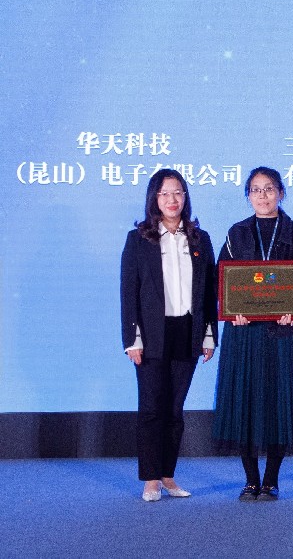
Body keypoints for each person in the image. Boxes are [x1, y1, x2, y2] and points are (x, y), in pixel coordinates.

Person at [212, 167, 293, 502]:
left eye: (269, 188)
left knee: (277, 407)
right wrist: (232, 310)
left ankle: (271, 480)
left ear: (281, 193)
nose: (263, 195)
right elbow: (222, 280)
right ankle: (250, 480)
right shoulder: (236, 233)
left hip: (281, 334)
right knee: (243, 405)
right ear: (248, 196)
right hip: (244, 335)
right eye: (255, 190)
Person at [120, 168, 217, 502]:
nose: (172, 200)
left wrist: (209, 335)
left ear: (185, 197)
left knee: (175, 410)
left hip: (187, 331)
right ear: (154, 198)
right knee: (151, 409)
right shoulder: (138, 239)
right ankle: (150, 479)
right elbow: (128, 293)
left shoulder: (200, 239)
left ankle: (168, 475)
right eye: (164, 193)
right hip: (150, 335)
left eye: (178, 193)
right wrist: (132, 339)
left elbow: (209, 293)